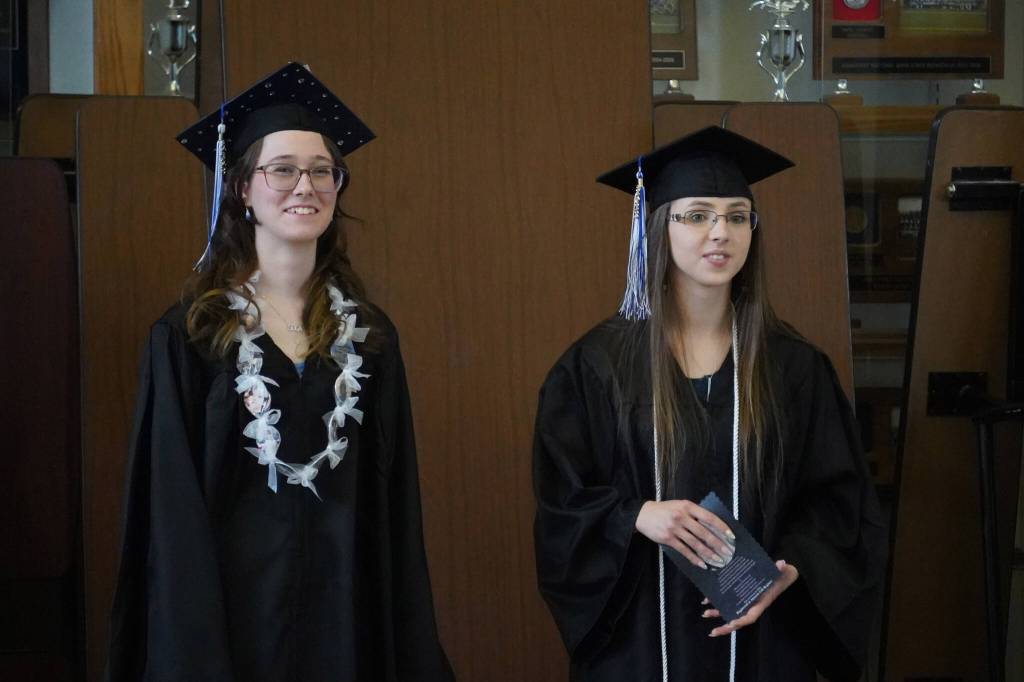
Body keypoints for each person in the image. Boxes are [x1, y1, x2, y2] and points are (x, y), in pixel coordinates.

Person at [106, 63, 454, 682]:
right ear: (241, 188)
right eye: (283, 169)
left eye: (324, 171)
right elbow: (171, 513)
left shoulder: (369, 338)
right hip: (230, 621)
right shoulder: (191, 335)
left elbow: (393, 502)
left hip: (347, 614)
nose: (306, 187)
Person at [532, 126, 886, 682]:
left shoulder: (793, 367)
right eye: (697, 215)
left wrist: (791, 571)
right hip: (640, 645)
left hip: (762, 642)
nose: (720, 232)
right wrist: (637, 515)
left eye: (737, 216)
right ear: (658, 228)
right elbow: (561, 503)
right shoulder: (596, 367)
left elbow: (838, 504)